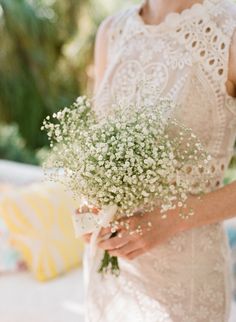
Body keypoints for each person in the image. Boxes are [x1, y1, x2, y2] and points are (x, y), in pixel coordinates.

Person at [82, 0, 236, 321]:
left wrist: (171, 220)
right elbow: (98, 149)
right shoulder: (111, 31)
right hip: (110, 277)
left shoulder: (229, 31)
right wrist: (89, 205)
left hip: (185, 280)